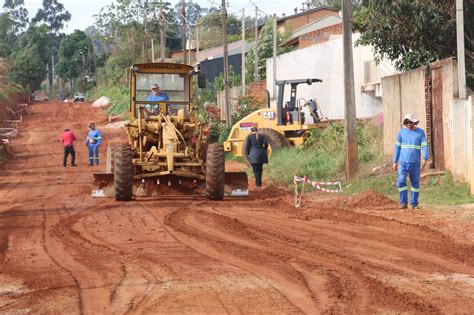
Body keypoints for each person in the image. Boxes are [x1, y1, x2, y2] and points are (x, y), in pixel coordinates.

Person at [392, 113, 429, 209]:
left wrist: (425, 158)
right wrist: (395, 161)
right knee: (401, 182)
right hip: (403, 163)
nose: (409, 124)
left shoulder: (420, 132)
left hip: (415, 163)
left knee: (415, 184)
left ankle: (414, 204)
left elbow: (424, 145)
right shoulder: (401, 133)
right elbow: (397, 147)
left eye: (410, 122)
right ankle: (403, 203)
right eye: (407, 122)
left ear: (414, 122)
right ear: (405, 123)